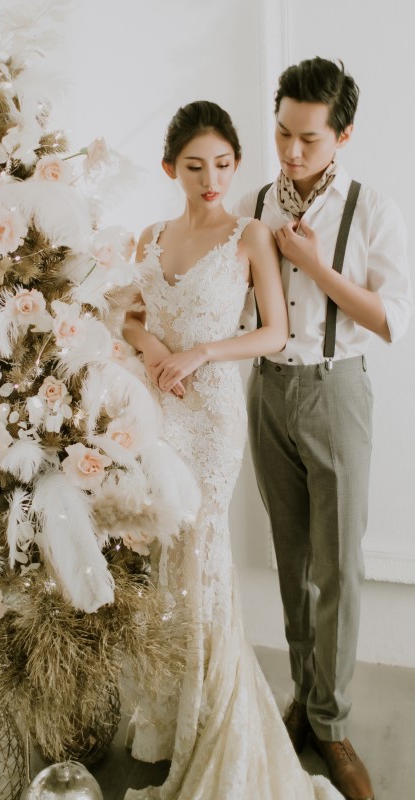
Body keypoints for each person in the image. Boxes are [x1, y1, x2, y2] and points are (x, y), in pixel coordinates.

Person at [122, 100, 343, 799]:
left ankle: (209, 715)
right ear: (170, 169)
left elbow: (274, 331)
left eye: (222, 164)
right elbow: (127, 316)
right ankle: (163, 718)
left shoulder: (250, 235)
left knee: (203, 553)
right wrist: (155, 348)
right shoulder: (148, 236)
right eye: (194, 167)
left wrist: (199, 353)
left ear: (235, 165)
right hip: (155, 410)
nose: (210, 177)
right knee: (159, 559)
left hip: (211, 413)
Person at [236, 57, 412, 800]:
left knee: (338, 566)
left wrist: (314, 263)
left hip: (337, 392)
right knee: (290, 557)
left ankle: (333, 726)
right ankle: (303, 706)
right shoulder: (253, 202)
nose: (291, 151)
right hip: (267, 394)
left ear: (342, 135)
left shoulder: (371, 207)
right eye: (281, 132)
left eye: (308, 138)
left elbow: (390, 320)